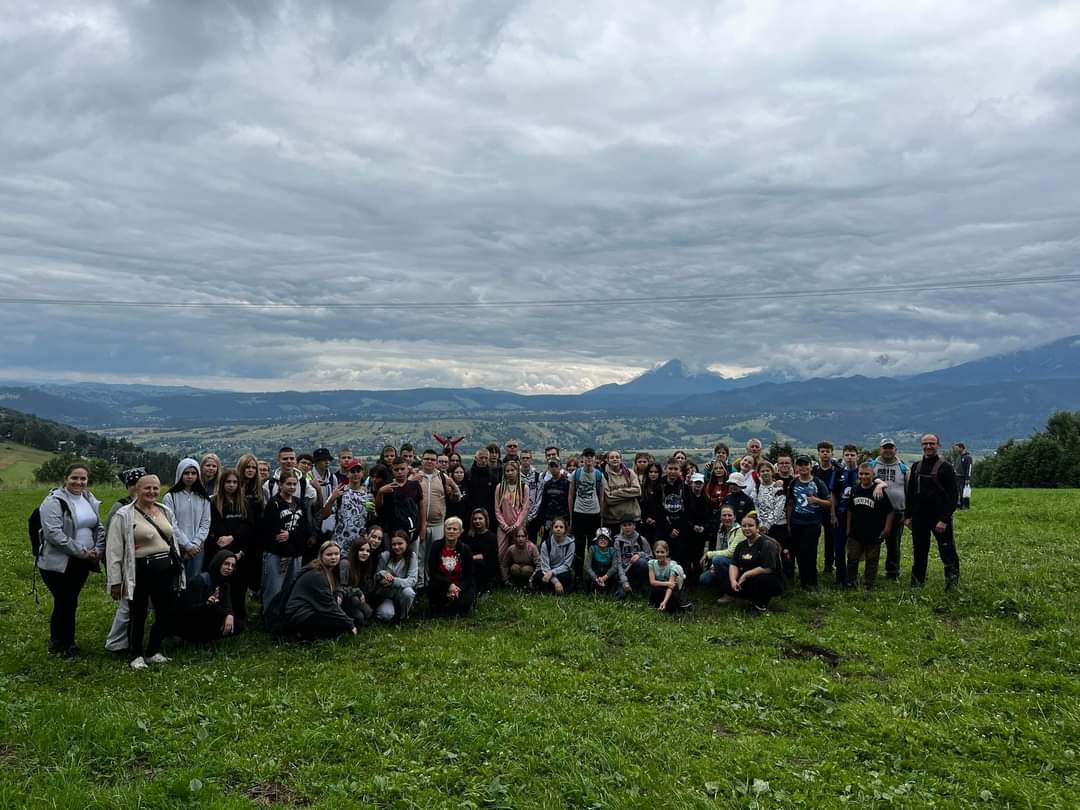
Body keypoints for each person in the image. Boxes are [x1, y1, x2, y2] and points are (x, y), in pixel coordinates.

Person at [106, 474, 184, 670]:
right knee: (138, 614)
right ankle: (136, 654)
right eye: (147, 488)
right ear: (137, 489)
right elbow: (114, 550)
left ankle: (153, 651)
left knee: (165, 611)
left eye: (155, 488)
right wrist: (115, 581)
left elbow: (172, 538)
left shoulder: (165, 511)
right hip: (141, 570)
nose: (152, 492)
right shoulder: (124, 515)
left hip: (165, 568)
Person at [36, 462, 106, 658]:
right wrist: (82, 551)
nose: (79, 482)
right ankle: (60, 644)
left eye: (83, 478)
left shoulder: (89, 499)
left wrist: (98, 549)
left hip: (82, 561)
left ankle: (65, 642)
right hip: (58, 563)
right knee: (64, 601)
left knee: (70, 601)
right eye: (74, 478)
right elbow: (53, 534)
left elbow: (98, 527)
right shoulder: (53, 501)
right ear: (65, 478)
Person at [905, 434, 960, 589]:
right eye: (925, 443)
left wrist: (944, 519)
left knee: (947, 551)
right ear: (921, 445)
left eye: (932, 443)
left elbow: (953, 497)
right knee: (919, 552)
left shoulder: (946, 468)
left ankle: (952, 585)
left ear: (938, 446)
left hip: (939, 518)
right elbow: (910, 493)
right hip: (919, 517)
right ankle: (916, 584)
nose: (928, 446)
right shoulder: (916, 467)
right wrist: (907, 516)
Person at [103, 466, 147, 655]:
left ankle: (131, 637)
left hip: (143, 563)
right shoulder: (120, 508)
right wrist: (114, 572)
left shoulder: (149, 505)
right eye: (133, 484)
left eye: (140, 483)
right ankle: (116, 642)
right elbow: (111, 540)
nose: (137, 487)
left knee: (137, 604)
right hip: (126, 563)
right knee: (126, 605)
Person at [208, 468, 259, 628]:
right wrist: (227, 543)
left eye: (235, 482)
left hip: (241, 551)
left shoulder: (244, 503)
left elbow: (249, 527)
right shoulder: (214, 502)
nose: (231, 485)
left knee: (240, 586)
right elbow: (216, 526)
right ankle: (221, 617)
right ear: (222, 483)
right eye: (228, 482)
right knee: (223, 586)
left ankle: (239, 617)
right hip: (222, 552)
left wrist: (235, 541)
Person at [258, 469, 309, 613]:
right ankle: (269, 616)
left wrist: (291, 535)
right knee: (274, 588)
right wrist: (285, 551)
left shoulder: (299, 503)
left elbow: (305, 528)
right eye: (288, 484)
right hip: (277, 553)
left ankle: (285, 617)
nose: (292, 487)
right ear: (280, 485)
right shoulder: (274, 504)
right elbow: (274, 531)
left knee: (290, 587)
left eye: (294, 484)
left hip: (296, 553)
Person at [285, 541, 356, 640]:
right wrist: (350, 623)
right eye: (329, 554)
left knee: (350, 609)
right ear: (321, 556)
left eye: (336, 554)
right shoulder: (317, 574)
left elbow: (339, 588)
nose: (333, 557)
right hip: (301, 614)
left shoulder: (332, 569)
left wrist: (340, 593)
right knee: (340, 624)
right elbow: (329, 605)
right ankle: (301, 635)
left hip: (316, 607)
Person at [720, 513, 784, 612]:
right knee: (727, 582)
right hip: (748, 580)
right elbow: (734, 564)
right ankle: (746, 598)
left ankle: (760, 605)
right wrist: (733, 581)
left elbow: (767, 568)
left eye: (750, 525)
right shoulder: (741, 545)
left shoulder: (767, 544)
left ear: (757, 528)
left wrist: (745, 575)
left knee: (761, 580)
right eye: (744, 526)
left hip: (769, 580)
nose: (747, 528)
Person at [785, 455, 832, 589]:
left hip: (812, 523)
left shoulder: (818, 483)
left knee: (810, 552)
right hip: (796, 523)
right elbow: (790, 503)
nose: (803, 467)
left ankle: (813, 581)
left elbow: (829, 503)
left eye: (806, 464)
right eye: (800, 465)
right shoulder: (793, 483)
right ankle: (804, 581)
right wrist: (788, 523)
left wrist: (817, 500)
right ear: (796, 467)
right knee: (799, 552)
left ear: (811, 467)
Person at [375, 460, 426, 584]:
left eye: (402, 469)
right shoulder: (387, 486)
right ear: (392, 470)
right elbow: (378, 509)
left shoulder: (414, 485)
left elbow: (421, 506)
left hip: (413, 531)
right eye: (396, 469)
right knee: (392, 559)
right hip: (392, 532)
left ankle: (416, 585)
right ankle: (392, 584)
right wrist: (380, 492)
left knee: (414, 558)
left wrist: (423, 526)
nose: (400, 472)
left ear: (407, 469)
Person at [845, 463, 894, 589]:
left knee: (872, 560)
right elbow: (850, 510)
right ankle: (851, 582)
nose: (864, 476)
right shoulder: (855, 490)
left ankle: (869, 584)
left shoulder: (878, 491)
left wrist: (887, 528)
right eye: (861, 474)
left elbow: (890, 511)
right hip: (856, 532)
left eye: (867, 474)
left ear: (873, 475)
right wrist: (848, 527)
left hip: (874, 532)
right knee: (852, 558)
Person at [419, 447, 462, 588]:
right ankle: (420, 585)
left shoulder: (442, 478)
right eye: (427, 459)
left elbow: (456, 498)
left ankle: (433, 583)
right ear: (422, 460)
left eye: (432, 459)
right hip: (420, 524)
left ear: (436, 462)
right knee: (419, 556)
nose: (429, 461)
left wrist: (454, 487)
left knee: (435, 556)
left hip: (438, 524)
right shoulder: (416, 477)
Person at [163, 458, 212, 580]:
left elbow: (205, 522)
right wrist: (187, 545)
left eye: (193, 473)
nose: (190, 476)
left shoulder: (203, 497)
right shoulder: (170, 497)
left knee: (194, 580)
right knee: (176, 579)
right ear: (180, 474)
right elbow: (171, 524)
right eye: (186, 473)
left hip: (198, 548)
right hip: (177, 547)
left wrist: (196, 543)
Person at [178, 550, 239, 642]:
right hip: (192, 620)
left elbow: (228, 605)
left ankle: (211, 637)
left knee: (238, 624)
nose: (229, 568)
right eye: (226, 564)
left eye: (232, 566)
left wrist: (229, 615)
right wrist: (206, 603)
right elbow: (188, 608)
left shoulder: (224, 583)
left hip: (209, 617)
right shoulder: (200, 580)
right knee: (214, 610)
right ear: (218, 562)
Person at [870, 439, 909, 580]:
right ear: (880, 449)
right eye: (885, 448)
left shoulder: (903, 468)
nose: (887, 450)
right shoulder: (872, 466)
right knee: (873, 542)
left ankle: (892, 573)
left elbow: (908, 491)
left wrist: (907, 513)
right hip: (875, 512)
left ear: (895, 450)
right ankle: (871, 571)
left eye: (890, 448)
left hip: (897, 511)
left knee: (894, 545)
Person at [427, 516, 477, 617]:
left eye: (455, 529)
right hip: (442, 583)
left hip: (460, 585)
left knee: (463, 604)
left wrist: (457, 589)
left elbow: (468, 575)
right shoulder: (436, 546)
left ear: (460, 532)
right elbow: (433, 571)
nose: (451, 531)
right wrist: (449, 585)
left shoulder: (465, 549)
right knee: (435, 595)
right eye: (448, 528)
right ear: (444, 530)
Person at [568, 448, 604, 578]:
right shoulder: (576, 474)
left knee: (593, 545)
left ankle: (592, 575)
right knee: (579, 545)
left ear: (594, 459)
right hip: (579, 512)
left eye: (591, 456)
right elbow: (571, 495)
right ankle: (578, 575)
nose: (589, 458)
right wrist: (571, 516)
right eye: (586, 456)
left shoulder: (599, 475)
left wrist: (601, 516)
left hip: (594, 513)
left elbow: (601, 497)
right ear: (582, 458)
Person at [372, 530, 418, 622]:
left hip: (401, 592)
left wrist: (393, 581)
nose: (397, 547)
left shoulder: (411, 556)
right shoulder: (385, 556)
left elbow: (412, 580)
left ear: (406, 543)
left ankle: (403, 616)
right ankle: (391, 614)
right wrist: (383, 574)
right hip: (386, 594)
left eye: (400, 544)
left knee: (409, 592)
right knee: (385, 614)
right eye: (394, 544)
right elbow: (376, 575)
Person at [328, 459, 372, 554]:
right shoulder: (340, 492)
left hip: (360, 545)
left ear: (362, 473)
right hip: (340, 542)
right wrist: (332, 499)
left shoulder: (368, 495)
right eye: (352, 471)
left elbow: (371, 518)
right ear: (347, 474)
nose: (355, 474)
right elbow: (325, 514)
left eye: (358, 471)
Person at [700, 505, 740, 598]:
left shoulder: (739, 531)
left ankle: (729, 594)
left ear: (734, 517)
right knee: (704, 579)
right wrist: (713, 566)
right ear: (720, 517)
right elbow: (718, 549)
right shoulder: (721, 530)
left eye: (729, 515)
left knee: (717, 560)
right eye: (724, 515)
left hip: (737, 564)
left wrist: (708, 554)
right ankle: (723, 586)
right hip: (724, 562)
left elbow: (731, 553)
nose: (727, 518)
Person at [494, 459, 529, 560]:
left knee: (518, 552)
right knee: (501, 552)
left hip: (518, 526)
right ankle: (503, 570)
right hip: (503, 526)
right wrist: (503, 525)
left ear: (517, 471)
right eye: (507, 471)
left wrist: (516, 525)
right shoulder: (500, 487)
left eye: (512, 470)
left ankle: (516, 569)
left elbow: (525, 509)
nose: (510, 473)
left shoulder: (523, 487)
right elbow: (497, 508)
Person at [601, 450, 642, 535]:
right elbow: (609, 499)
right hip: (612, 520)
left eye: (617, 457)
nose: (615, 459)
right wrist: (629, 495)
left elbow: (637, 491)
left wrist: (617, 492)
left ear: (621, 459)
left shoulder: (630, 473)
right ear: (607, 460)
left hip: (632, 518)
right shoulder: (604, 476)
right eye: (612, 457)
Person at [683, 472, 714, 583]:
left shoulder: (707, 500)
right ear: (691, 483)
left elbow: (709, 517)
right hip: (688, 532)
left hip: (701, 533)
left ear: (703, 484)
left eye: (700, 483)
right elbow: (685, 514)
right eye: (696, 483)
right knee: (687, 555)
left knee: (698, 555)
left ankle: (697, 578)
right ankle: (687, 578)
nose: (697, 485)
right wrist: (692, 525)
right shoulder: (687, 498)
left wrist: (704, 527)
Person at [338, 540, 376, 628]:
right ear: (355, 550)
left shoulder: (364, 564)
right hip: (344, 599)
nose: (365, 553)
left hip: (356, 599)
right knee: (359, 617)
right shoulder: (345, 563)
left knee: (368, 612)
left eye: (368, 551)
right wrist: (358, 591)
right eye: (361, 550)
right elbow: (341, 588)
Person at [534, 517, 574, 595]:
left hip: (562, 571)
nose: (558, 529)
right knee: (538, 576)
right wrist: (555, 582)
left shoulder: (571, 544)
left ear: (565, 530)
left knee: (566, 577)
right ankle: (553, 588)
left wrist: (552, 572)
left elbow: (567, 565)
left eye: (561, 527)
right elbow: (545, 566)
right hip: (548, 570)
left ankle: (552, 589)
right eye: (556, 527)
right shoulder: (545, 544)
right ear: (552, 529)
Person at [613, 518, 652, 596]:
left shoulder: (641, 539)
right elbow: (618, 564)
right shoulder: (618, 542)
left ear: (634, 526)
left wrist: (640, 555)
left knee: (642, 563)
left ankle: (642, 584)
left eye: (630, 525)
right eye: (624, 525)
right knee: (620, 595)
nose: (627, 527)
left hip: (638, 569)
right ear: (621, 527)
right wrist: (624, 582)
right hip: (625, 571)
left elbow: (650, 557)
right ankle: (628, 585)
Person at [465, 508, 500, 592]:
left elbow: (488, 555)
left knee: (477, 563)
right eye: (475, 519)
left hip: (486, 565)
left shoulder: (491, 536)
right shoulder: (470, 535)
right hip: (471, 562)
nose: (477, 521)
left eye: (480, 518)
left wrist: (472, 557)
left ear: (485, 520)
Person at [584, 528, 625, 597]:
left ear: (609, 541)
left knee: (615, 576)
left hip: (607, 574)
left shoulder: (612, 550)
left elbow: (614, 567)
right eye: (600, 538)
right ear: (597, 540)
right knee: (587, 575)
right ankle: (589, 592)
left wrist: (604, 578)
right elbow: (587, 566)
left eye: (605, 539)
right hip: (596, 573)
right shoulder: (592, 549)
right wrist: (595, 578)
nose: (603, 540)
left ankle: (611, 593)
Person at [648, 540, 685, 614]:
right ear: (654, 552)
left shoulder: (673, 565)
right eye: (657, 552)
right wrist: (667, 583)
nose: (659, 554)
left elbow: (671, 586)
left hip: (670, 590)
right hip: (660, 587)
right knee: (654, 590)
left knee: (672, 602)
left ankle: (666, 604)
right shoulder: (651, 563)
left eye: (662, 552)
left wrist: (664, 602)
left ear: (667, 552)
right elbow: (652, 582)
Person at [538, 459, 571, 539]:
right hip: (549, 520)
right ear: (549, 468)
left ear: (560, 467)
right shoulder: (547, 484)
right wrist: (542, 523)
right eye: (551, 466)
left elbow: (569, 503)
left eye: (556, 466)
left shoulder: (566, 483)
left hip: (563, 519)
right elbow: (543, 504)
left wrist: (569, 522)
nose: (554, 469)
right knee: (547, 542)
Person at [466, 447, 499, 526]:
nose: (483, 460)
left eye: (486, 458)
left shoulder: (493, 477)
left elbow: (495, 498)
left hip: (489, 515)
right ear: (476, 458)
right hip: (470, 514)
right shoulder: (468, 476)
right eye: (481, 458)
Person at [638, 462, 664, 543]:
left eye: (656, 472)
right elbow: (641, 505)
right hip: (646, 523)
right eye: (651, 472)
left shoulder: (663, 487)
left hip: (660, 523)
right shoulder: (643, 487)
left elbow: (662, 506)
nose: (653, 474)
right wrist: (646, 518)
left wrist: (656, 519)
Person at [953, 442, 974, 509]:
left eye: (957, 448)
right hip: (957, 477)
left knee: (964, 492)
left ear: (961, 448)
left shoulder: (968, 457)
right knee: (957, 492)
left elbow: (969, 468)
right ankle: (959, 505)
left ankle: (966, 506)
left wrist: (968, 478)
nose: (955, 450)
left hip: (963, 478)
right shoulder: (958, 457)